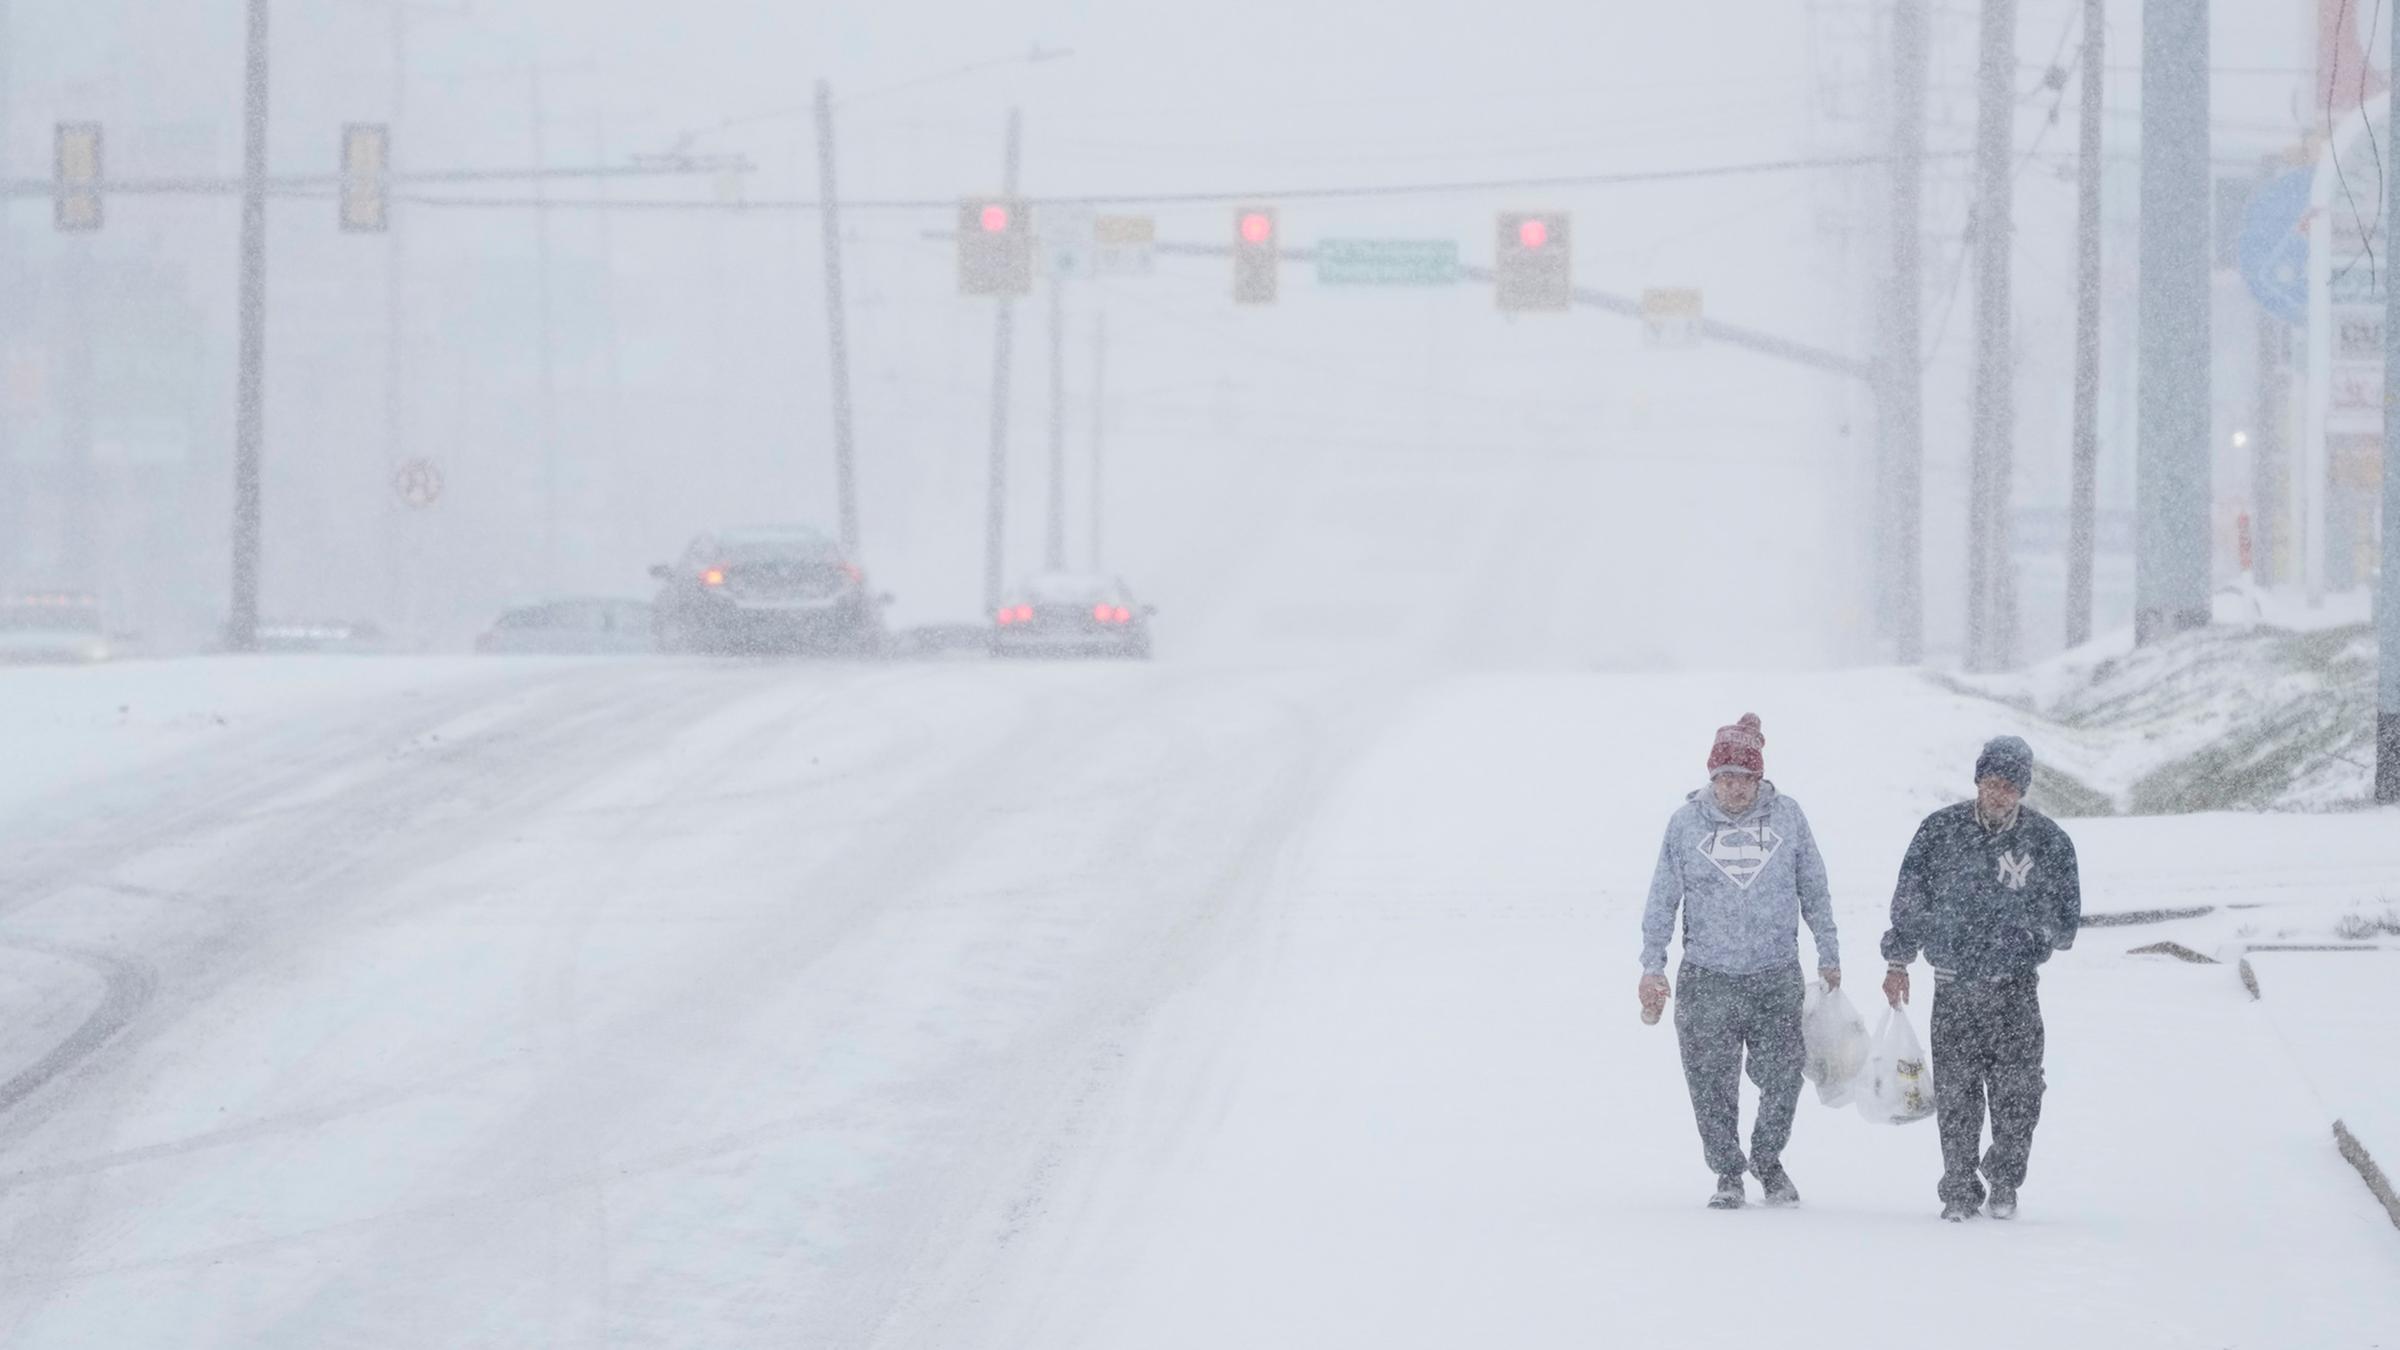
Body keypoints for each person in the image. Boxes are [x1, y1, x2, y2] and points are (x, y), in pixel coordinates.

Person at [1640, 713, 1842, 1210]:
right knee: (1710, 1082)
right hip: (1707, 977)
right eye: (1724, 777)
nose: (1734, 788)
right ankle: (1728, 1172)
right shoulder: (1685, 824)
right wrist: (1652, 963)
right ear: (1712, 778)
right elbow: (1662, 897)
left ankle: (1768, 1160)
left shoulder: (1788, 818)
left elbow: (1813, 886)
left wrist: (1829, 949)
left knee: (1783, 1074)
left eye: (1743, 778)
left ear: (1759, 779)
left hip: (1775, 974)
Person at [1880, 735, 2082, 1223]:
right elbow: (1909, 902)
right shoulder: (1939, 832)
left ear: (2024, 789)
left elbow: (2067, 924)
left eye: (2011, 785)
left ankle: (2005, 1178)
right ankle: (1959, 1189)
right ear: (1978, 781)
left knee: (2021, 1092)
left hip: (2014, 989)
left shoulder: (2048, 841)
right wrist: (1898, 961)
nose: (2000, 793)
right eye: (1992, 782)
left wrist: (2023, 922)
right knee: (1956, 1094)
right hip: (1953, 987)